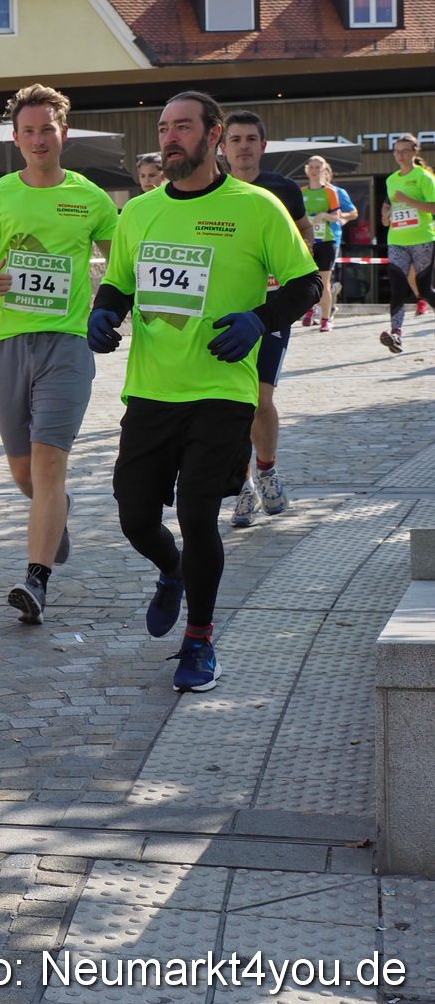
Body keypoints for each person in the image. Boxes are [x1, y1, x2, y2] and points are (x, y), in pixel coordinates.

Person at [90, 91, 320, 693]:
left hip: (223, 390)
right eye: (164, 128)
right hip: (151, 391)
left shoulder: (257, 206)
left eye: (183, 127)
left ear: (213, 135)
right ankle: (171, 571)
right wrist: (104, 313)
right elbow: (118, 284)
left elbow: (305, 285)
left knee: (197, 511)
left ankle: (200, 641)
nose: (170, 138)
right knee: (136, 517)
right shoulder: (138, 213)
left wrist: (259, 320)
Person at [0, 84, 117, 625]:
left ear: (62, 132)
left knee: (49, 464)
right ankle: (55, 513)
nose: (39, 138)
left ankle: (35, 581)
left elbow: (120, 268)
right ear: (17, 137)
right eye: (29, 130)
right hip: (5, 346)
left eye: (48, 128)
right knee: (25, 475)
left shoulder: (91, 199)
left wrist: (111, 313)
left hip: (66, 346)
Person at [217, 112, 316, 529]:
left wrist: (290, 266)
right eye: (235, 139)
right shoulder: (213, 190)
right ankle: (241, 487)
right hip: (226, 310)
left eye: (251, 139)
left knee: (260, 398)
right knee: (229, 403)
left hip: (272, 310)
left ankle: (268, 470)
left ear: (263, 145)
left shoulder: (282, 188)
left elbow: (305, 235)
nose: (243, 146)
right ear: (222, 147)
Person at [379, 134, 435, 353]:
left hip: (422, 240)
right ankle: (396, 333)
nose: (400, 155)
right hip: (397, 241)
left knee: (424, 290)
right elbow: (388, 204)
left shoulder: (424, 177)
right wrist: (385, 216)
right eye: (396, 151)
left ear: (415, 152)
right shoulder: (391, 179)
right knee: (397, 288)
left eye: (405, 151)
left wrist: (409, 200)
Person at [301, 156, 355, 332]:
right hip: (307, 242)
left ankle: (325, 318)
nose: (315, 170)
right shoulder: (301, 192)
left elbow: (338, 216)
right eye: (312, 167)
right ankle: (309, 310)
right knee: (307, 279)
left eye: (318, 167)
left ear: (325, 170)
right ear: (307, 169)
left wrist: (323, 215)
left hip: (326, 241)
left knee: (324, 281)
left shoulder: (330, 192)